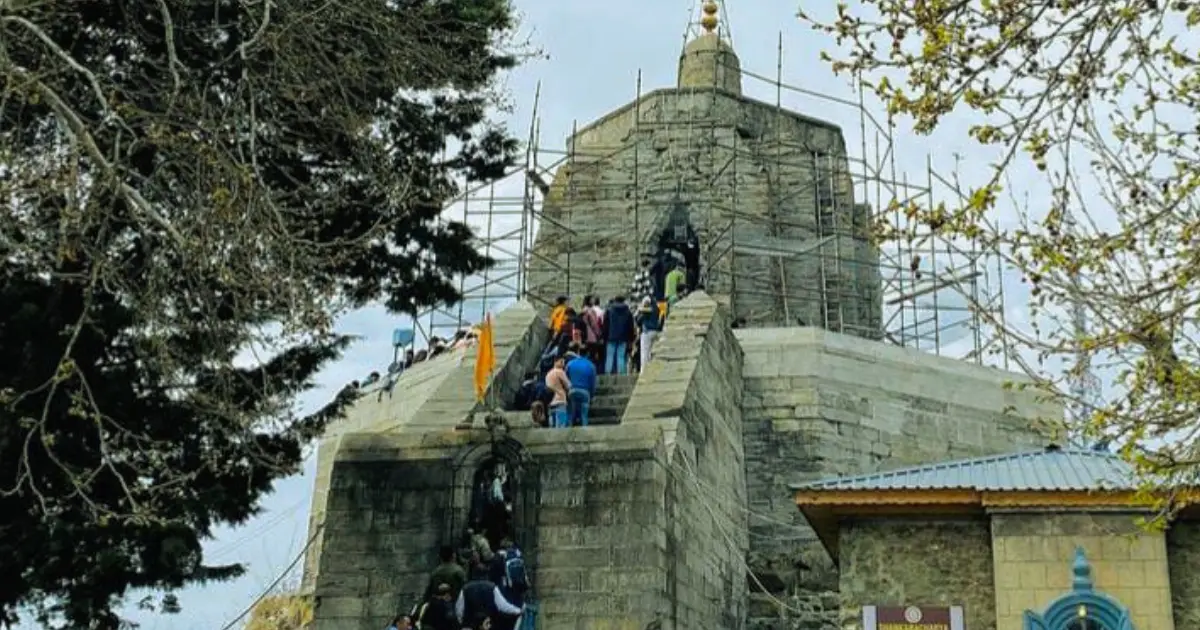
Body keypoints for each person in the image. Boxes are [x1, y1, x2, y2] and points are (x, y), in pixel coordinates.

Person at [455, 578, 522, 629]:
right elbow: (503, 606)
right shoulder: (491, 587)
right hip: (487, 624)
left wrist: (463, 623)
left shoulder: (465, 589)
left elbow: (459, 610)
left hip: (470, 624)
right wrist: (518, 611)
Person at [603, 295, 635, 375]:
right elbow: (630, 326)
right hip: (623, 337)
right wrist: (631, 338)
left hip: (611, 336)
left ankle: (608, 373)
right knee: (620, 356)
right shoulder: (628, 312)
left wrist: (604, 336)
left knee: (610, 356)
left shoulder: (609, 310)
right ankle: (621, 373)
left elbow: (606, 325)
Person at [564, 351, 597, 426]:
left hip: (572, 390)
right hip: (585, 391)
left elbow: (565, 378)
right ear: (587, 355)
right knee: (584, 415)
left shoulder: (570, 363)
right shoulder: (591, 365)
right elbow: (593, 383)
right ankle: (584, 429)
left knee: (571, 414)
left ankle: (569, 428)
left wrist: (566, 391)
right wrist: (592, 395)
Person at [635, 297, 662, 373]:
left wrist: (639, 311)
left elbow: (638, 320)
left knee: (645, 353)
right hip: (655, 331)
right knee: (652, 353)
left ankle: (644, 371)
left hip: (647, 332)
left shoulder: (645, 310)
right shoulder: (656, 308)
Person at [544, 357, 571, 428]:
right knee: (561, 425)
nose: (563, 364)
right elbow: (568, 385)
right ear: (555, 362)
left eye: (563, 362)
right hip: (560, 399)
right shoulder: (560, 372)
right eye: (561, 362)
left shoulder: (548, 374)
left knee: (552, 424)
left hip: (550, 401)